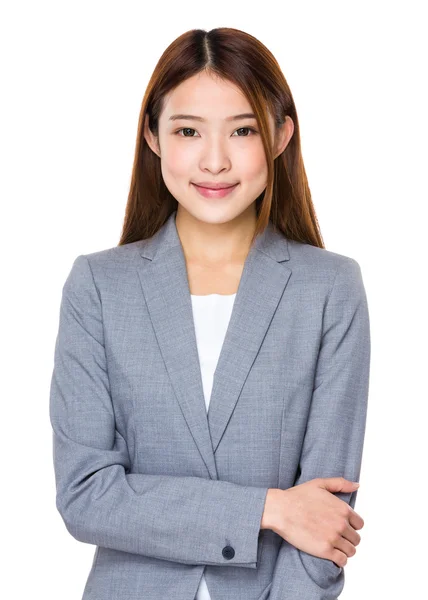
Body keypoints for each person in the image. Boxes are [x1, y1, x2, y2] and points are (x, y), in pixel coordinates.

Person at [49, 27, 370, 600]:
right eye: (188, 131)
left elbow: (326, 520)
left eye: (243, 130)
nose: (215, 161)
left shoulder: (330, 287)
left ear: (279, 136)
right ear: (153, 136)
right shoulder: (99, 287)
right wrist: (267, 508)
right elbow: (87, 496)